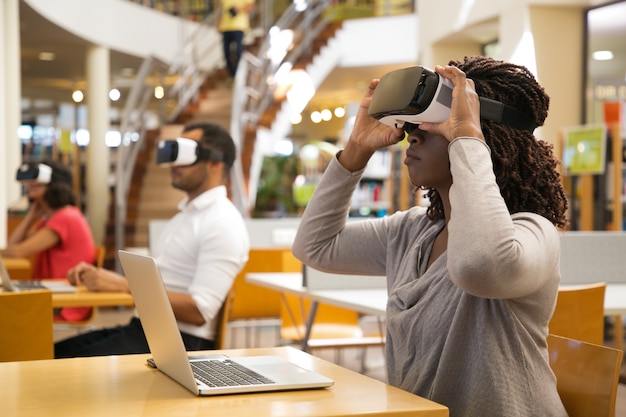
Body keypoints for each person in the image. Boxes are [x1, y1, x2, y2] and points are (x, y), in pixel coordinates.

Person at [291, 56, 569, 416]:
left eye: (437, 123)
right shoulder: (412, 233)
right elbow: (315, 246)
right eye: (411, 125)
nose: (413, 135)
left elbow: (479, 265)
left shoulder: (532, 233)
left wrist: (466, 137)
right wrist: (356, 150)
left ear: (485, 137)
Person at [54, 122, 250, 358]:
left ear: (216, 163)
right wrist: (106, 279)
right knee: (47, 352)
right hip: (143, 330)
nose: (173, 163)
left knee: (54, 366)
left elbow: (200, 311)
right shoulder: (186, 216)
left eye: (185, 153)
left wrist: (123, 286)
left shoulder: (223, 222)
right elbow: (160, 287)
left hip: (178, 345)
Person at [1, 160, 96, 322]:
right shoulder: (51, 218)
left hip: (65, 301)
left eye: (36, 184)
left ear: (52, 186)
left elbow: (18, 251)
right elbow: (13, 245)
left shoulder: (66, 217)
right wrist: (31, 215)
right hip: (52, 292)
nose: (30, 186)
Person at [217, 0, 254, 78]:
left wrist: (238, 9)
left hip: (239, 26)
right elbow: (222, 10)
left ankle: (239, 71)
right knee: (226, 52)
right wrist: (218, 23)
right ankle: (233, 74)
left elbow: (250, 7)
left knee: (238, 50)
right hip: (225, 27)